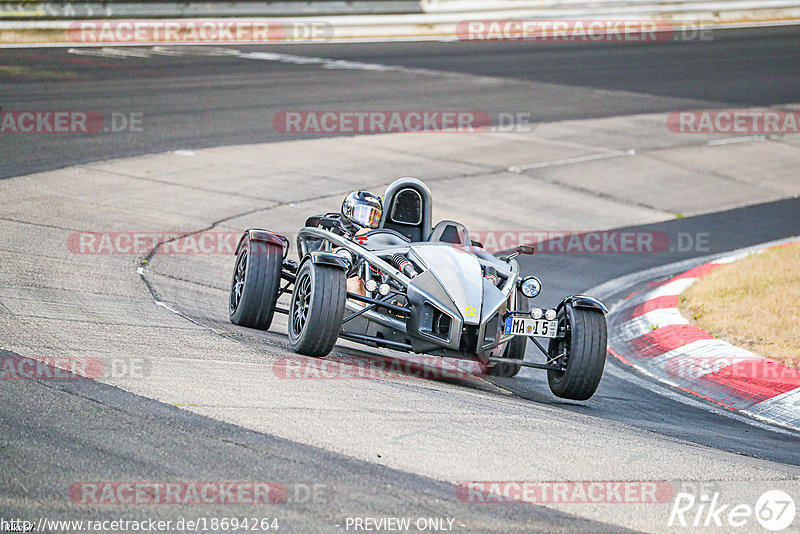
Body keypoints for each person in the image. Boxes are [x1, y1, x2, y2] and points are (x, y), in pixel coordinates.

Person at [339, 190, 383, 296]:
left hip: (377, 284)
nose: (367, 221)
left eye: (373, 217)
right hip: (344, 285)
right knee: (355, 284)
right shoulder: (336, 236)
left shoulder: (379, 237)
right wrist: (359, 239)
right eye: (362, 214)